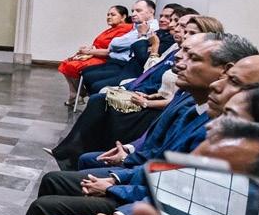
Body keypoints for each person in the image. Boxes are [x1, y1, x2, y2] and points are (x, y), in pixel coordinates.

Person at [3, 33, 259, 215]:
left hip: (144, 211)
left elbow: (172, 193)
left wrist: (117, 193)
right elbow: (159, 156)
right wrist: (125, 163)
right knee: (59, 180)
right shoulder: (194, 105)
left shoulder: (226, 138)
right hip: (142, 196)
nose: (180, 59)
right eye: (182, 51)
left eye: (192, 56)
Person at [48, 14, 221, 168]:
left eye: (190, 31)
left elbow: (172, 95)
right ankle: (75, 152)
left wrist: (147, 100)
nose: (177, 29)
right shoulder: (175, 50)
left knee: (101, 101)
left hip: (154, 108)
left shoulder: (187, 63)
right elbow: (151, 71)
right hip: (148, 93)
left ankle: (78, 153)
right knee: (98, 93)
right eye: (183, 28)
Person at [79, 0, 158, 95]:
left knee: (94, 81)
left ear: (151, 11)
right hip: (118, 61)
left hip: (128, 66)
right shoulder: (137, 26)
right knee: (86, 72)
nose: (133, 14)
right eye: (133, 11)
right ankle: (92, 99)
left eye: (138, 10)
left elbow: (115, 44)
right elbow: (114, 44)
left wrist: (113, 47)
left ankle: (96, 100)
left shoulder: (150, 28)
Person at [57, 5, 133, 105]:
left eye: (113, 15)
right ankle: (74, 94)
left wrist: (89, 52)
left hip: (105, 58)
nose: (109, 17)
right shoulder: (113, 28)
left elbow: (110, 51)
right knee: (66, 63)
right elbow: (99, 44)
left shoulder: (125, 30)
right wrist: (87, 49)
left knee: (72, 65)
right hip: (96, 55)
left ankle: (80, 93)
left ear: (123, 17)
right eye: (108, 15)